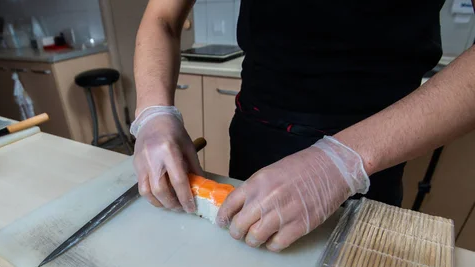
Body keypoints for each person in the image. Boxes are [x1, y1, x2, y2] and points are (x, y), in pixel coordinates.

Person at [131, 0, 475, 252]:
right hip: (257, 131)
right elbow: (162, 16)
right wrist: (153, 114)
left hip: (376, 150)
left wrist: (343, 162)